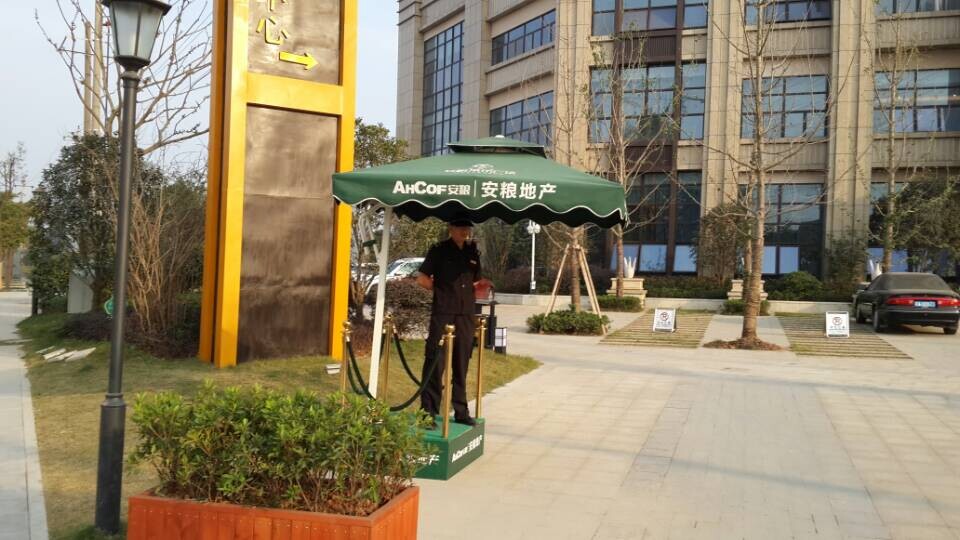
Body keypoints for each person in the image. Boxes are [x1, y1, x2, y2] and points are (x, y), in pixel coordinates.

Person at [415, 217, 489, 428]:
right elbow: (422, 278)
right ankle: (428, 414)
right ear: (451, 228)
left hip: (465, 314)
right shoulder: (439, 250)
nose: (465, 231)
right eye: (460, 227)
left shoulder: (472, 252)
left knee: (461, 363)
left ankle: (461, 412)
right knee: (436, 363)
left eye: (467, 227)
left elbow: (475, 279)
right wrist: (441, 291)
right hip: (444, 313)